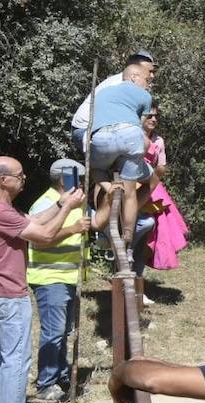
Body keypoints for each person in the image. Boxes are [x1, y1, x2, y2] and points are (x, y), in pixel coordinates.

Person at [0, 156, 87, 403]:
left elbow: (30, 221)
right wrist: (67, 207)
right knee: (17, 355)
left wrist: (58, 203)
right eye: (20, 176)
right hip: (7, 294)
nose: (24, 179)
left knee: (3, 353)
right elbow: (42, 234)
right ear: (4, 180)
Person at [27, 159, 92, 402]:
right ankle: (46, 384)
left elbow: (95, 223)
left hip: (67, 277)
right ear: (66, 179)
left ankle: (61, 375)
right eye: (79, 178)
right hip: (49, 277)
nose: (83, 184)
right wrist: (72, 229)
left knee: (64, 332)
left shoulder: (75, 204)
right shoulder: (44, 204)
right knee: (53, 332)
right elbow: (38, 239)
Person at [90, 63, 154, 247]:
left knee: (96, 169)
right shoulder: (145, 96)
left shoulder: (102, 93)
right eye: (146, 80)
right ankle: (128, 233)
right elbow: (140, 127)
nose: (147, 84)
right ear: (133, 77)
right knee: (130, 192)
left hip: (102, 138)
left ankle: (109, 186)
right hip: (130, 135)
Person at [70, 51, 155, 154]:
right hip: (86, 130)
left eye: (153, 71)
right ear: (135, 70)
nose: (152, 75)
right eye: (149, 71)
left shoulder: (129, 83)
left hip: (100, 131)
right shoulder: (121, 85)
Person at [142, 103, 190, 272]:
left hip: (152, 185)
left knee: (160, 225)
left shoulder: (158, 140)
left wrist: (159, 171)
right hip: (134, 184)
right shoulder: (133, 137)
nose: (153, 119)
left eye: (156, 116)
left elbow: (161, 166)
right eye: (149, 116)